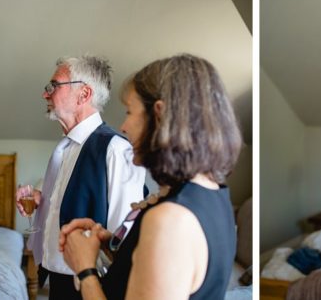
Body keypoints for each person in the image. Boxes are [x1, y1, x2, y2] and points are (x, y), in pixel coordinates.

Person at [59, 54, 242, 299]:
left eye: (129, 112)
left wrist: (85, 269)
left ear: (159, 115)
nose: (123, 126)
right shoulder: (213, 193)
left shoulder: (170, 220)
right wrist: (110, 243)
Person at [15, 56, 147, 299]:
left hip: (91, 285)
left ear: (84, 94)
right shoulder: (67, 148)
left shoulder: (116, 150)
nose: (46, 94)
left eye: (54, 86)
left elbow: (124, 239)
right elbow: (73, 198)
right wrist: (41, 199)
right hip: (59, 279)